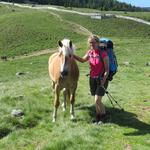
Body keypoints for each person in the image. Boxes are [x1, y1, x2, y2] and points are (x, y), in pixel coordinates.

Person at [73, 35, 109, 124]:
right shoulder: (90, 53)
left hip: (101, 79)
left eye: (93, 42)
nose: (91, 44)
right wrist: (72, 55)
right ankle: (101, 115)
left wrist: (103, 81)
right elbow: (82, 60)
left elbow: (107, 70)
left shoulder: (103, 54)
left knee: (97, 100)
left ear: (98, 43)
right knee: (96, 100)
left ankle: (100, 118)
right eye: (90, 43)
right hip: (92, 79)